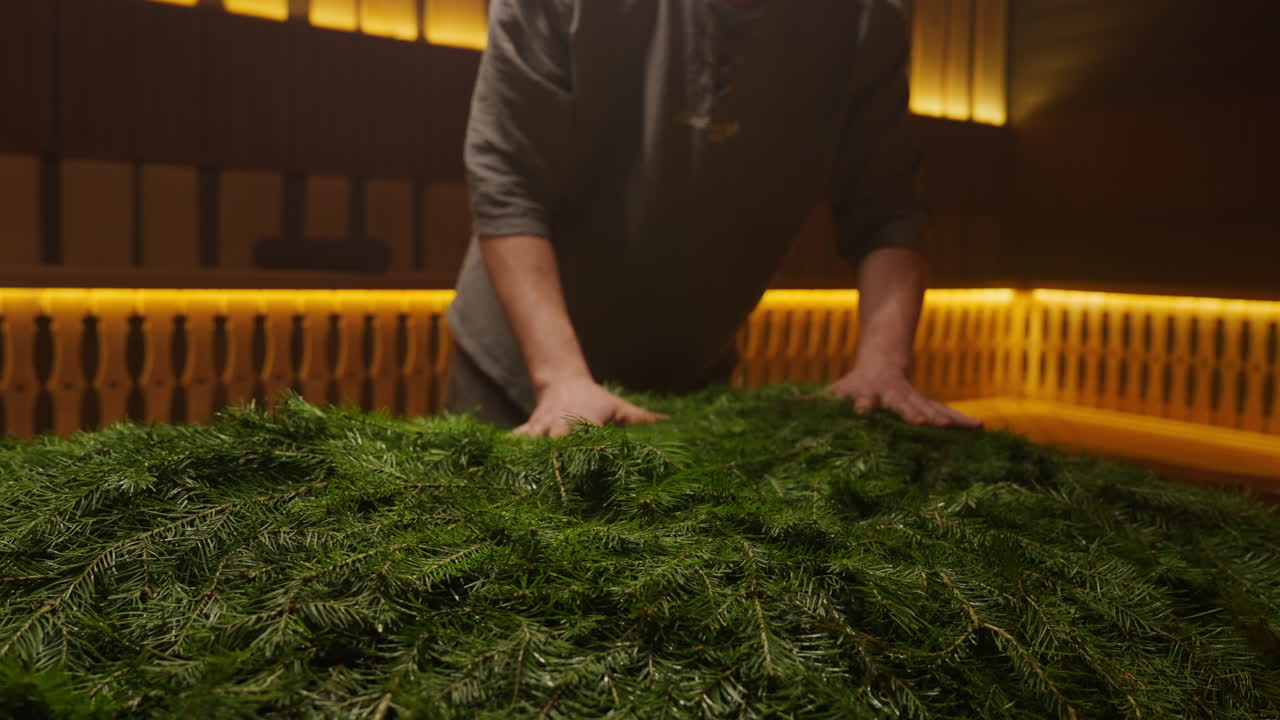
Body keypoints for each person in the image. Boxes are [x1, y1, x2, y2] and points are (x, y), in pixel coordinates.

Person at [444, 0, 982, 437]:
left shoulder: (867, 15)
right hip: (518, 372)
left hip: (694, 374)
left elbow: (888, 208)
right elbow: (507, 185)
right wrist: (561, 378)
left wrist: (884, 366)